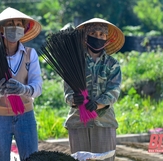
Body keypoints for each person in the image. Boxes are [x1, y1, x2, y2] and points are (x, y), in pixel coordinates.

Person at [0, 7, 42, 161]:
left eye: (19, 24)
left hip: (25, 116)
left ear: (24, 28)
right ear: (1, 29)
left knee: (31, 158)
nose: (15, 27)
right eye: (10, 24)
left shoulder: (30, 54)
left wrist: (24, 89)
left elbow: (38, 86)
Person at [64, 18, 125, 161]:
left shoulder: (112, 65)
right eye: (93, 33)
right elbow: (67, 93)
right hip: (78, 123)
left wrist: (97, 104)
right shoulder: (74, 63)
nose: (98, 37)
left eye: (101, 35)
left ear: (106, 39)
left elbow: (113, 92)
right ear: (85, 37)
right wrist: (74, 100)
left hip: (104, 122)